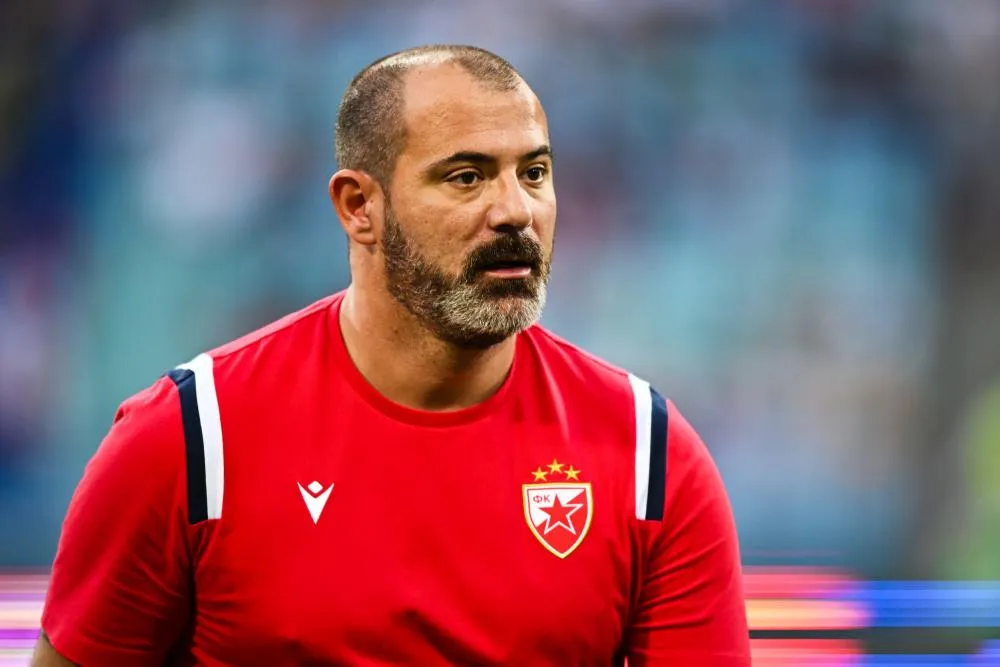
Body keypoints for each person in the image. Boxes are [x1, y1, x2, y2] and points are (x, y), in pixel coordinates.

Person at [33, 45, 751, 666]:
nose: (515, 210)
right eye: (466, 176)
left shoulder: (648, 457)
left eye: (533, 172)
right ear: (358, 207)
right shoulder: (190, 440)